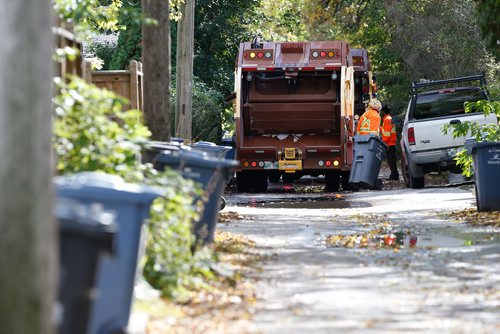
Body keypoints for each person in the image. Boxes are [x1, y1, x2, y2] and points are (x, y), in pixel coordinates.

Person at [381, 105, 399, 180]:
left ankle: (394, 175)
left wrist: (383, 142)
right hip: (390, 142)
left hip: (389, 143)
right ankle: (394, 175)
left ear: (383, 112)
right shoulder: (388, 119)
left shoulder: (387, 120)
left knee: (391, 160)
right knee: (391, 160)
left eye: (381, 111)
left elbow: (387, 133)